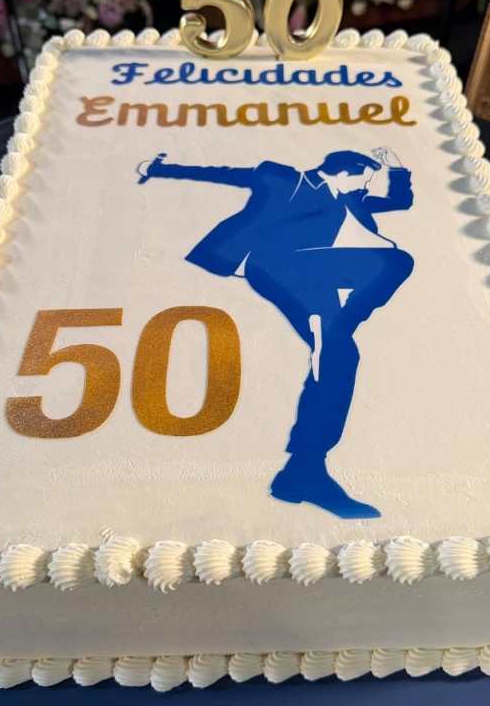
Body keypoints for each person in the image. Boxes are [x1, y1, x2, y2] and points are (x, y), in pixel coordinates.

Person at [137, 148, 414, 519]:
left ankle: (301, 472)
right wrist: (157, 168)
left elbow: (400, 202)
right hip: (274, 266)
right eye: (364, 178)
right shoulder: (283, 178)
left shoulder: (350, 198)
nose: (366, 186)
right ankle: (342, 328)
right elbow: (221, 172)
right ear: (346, 172)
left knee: (341, 354)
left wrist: (397, 169)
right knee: (391, 263)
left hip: (316, 272)